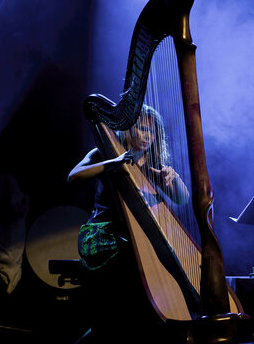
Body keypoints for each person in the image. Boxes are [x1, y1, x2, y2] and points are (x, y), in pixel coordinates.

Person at [67, 104, 189, 342]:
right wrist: (115, 162)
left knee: (166, 264)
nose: (146, 137)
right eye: (142, 129)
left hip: (139, 242)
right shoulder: (104, 152)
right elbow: (74, 176)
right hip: (103, 236)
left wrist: (174, 178)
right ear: (127, 129)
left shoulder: (155, 168)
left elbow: (183, 199)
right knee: (131, 261)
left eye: (151, 133)